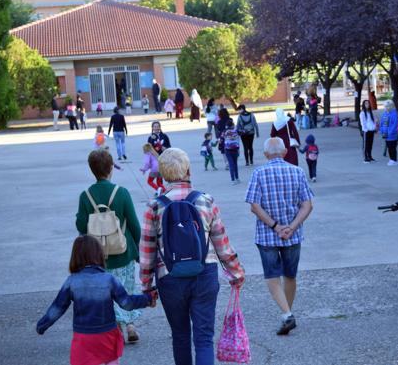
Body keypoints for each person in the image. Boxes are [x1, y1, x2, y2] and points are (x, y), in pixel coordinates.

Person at [140, 148, 245, 365]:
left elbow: (147, 251)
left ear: (162, 174)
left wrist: (147, 287)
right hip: (204, 273)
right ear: (188, 169)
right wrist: (235, 272)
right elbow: (221, 243)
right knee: (204, 337)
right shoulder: (206, 201)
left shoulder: (154, 207)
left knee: (180, 336)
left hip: (169, 277)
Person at [37, 235, 156, 365]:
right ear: (99, 254)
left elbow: (57, 308)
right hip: (107, 335)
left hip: (83, 337)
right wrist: (148, 299)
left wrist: (42, 325)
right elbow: (126, 303)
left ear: (75, 256)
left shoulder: (72, 281)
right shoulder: (109, 279)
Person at [245, 137, 314, 335]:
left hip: (267, 235)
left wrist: (275, 227)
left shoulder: (258, 173)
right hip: (292, 235)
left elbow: (254, 206)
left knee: (272, 276)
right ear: (284, 153)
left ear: (266, 155)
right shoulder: (298, 171)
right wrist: (291, 227)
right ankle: (287, 313)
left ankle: (287, 315)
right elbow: (307, 205)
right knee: (290, 275)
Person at [76, 149, 146, 342]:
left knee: (107, 292)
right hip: (123, 251)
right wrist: (138, 249)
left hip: (98, 255)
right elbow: (134, 225)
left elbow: (81, 225)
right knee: (127, 288)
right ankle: (131, 325)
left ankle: (116, 327)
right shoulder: (121, 193)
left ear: (92, 170)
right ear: (110, 169)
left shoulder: (86, 196)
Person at [379, 100, 398, 166]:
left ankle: (394, 160)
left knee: (392, 147)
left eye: (388, 106)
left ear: (391, 106)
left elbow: (395, 124)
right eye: (385, 106)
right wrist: (381, 130)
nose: (386, 107)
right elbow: (381, 123)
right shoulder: (384, 113)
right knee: (389, 147)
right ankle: (391, 159)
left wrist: (390, 132)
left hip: (392, 135)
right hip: (385, 134)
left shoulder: (394, 114)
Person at [222, 119, 241, 184]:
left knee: (231, 164)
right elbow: (241, 133)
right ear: (233, 124)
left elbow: (221, 138)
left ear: (226, 125)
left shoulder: (225, 131)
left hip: (227, 149)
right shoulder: (236, 131)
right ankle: (237, 178)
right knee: (235, 164)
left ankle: (232, 180)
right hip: (235, 148)